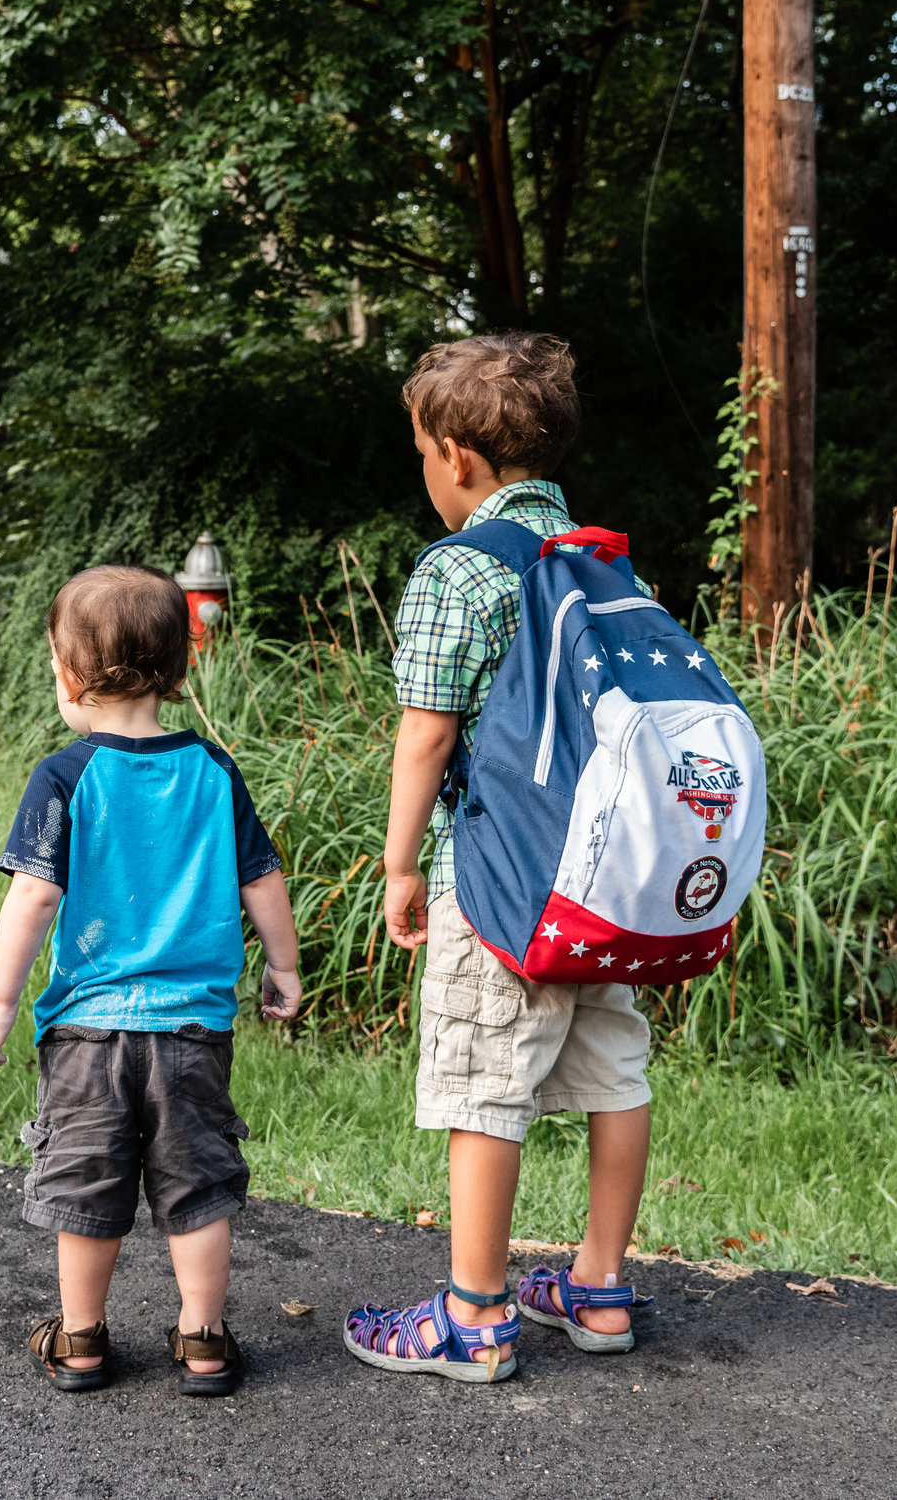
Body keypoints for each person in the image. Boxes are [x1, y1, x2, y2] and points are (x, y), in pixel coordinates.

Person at [343, 333, 655, 1384]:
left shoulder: (459, 569)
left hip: (501, 885)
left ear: (456, 459)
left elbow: (427, 735)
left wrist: (397, 865)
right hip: (605, 883)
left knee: (485, 1082)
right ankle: (599, 1288)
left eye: (423, 455)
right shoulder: (602, 557)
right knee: (614, 1073)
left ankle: (473, 1314)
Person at [0, 565, 304, 1398]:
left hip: (88, 1031)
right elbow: (262, 881)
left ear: (71, 676)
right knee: (198, 1187)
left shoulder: (65, 775)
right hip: (193, 1029)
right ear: (179, 670)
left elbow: (36, 894)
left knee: (87, 1182)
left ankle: (81, 1339)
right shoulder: (214, 772)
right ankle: (202, 1339)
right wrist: (284, 966)